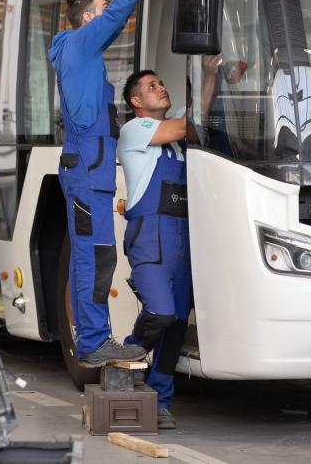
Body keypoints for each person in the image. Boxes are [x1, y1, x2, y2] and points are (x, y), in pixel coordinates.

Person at [48, 0, 181, 368]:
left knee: (92, 255)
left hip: (90, 170)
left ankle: (92, 338)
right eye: (101, 11)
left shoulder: (79, 53)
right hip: (88, 171)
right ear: (89, 19)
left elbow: (116, 16)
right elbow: (121, 9)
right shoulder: (81, 45)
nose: (110, 19)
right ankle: (92, 341)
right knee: (95, 256)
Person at [117, 61, 219, 428]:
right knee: (159, 312)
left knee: (175, 325)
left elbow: (193, 123)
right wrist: (206, 81)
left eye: (161, 83)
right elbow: (188, 124)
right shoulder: (136, 129)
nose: (160, 88)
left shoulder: (177, 139)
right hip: (151, 237)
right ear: (136, 101)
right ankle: (125, 356)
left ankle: (160, 400)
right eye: (151, 86)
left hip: (183, 238)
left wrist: (211, 77)